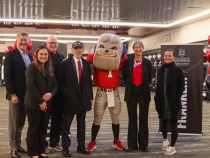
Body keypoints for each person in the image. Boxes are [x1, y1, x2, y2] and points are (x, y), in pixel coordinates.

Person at [58, 41, 93, 157]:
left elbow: (89, 82)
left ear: (83, 50)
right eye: (76, 48)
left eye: (80, 48)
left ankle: (81, 146)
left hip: (83, 99)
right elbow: (60, 82)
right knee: (66, 125)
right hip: (69, 99)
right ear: (72, 50)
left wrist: (90, 97)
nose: (78, 50)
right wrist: (66, 93)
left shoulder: (87, 64)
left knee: (81, 125)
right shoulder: (65, 64)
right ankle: (66, 147)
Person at [25, 45, 58, 158]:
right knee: (33, 128)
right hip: (33, 103)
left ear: (48, 56)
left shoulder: (50, 68)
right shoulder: (31, 67)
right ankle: (33, 152)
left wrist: (51, 94)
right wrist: (41, 101)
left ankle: (41, 150)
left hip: (47, 103)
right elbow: (31, 86)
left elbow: (55, 85)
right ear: (36, 55)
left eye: (45, 54)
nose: (43, 56)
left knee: (43, 128)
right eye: (41, 54)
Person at [4, 32, 33, 158]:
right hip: (15, 96)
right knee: (14, 123)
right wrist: (12, 94)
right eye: (21, 40)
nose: (23, 42)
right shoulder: (11, 55)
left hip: (27, 96)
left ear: (28, 41)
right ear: (16, 41)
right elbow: (8, 77)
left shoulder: (31, 57)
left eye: (25, 40)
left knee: (21, 122)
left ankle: (18, 144)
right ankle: (13, 148)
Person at [122, 40, 152, 152]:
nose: (138, 49)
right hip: (131, 91)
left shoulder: (147, 63)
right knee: (132, 118)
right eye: (136, 47)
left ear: (143, 48)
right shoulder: (128, 62)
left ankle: (143, 145)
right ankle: (132, 144)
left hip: (143, 91)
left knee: (143, 118)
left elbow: (149, 78)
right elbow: (125, 76)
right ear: (133, 49)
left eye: (140, 47)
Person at [154, 49, 185, 155]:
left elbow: (182, 86)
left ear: (174, 57)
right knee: (163, 121)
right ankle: (165, 140)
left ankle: (172, 147)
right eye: (166, 56)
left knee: (173, 123)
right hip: (162, 100)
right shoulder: (161, 68)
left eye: (170, 56)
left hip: (173, 101)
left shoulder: (177, 70)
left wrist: (176, 97)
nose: (167, 57)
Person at [46, 35, 65, 152]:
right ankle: (41, 144)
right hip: (46, 93)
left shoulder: (61, 57)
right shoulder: (43, 55)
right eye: (50, 43)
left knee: (57, 120)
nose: (53, 45)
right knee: (43, 120)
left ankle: (54, 143)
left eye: (55, 43)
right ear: (46, 44)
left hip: (58, 94)